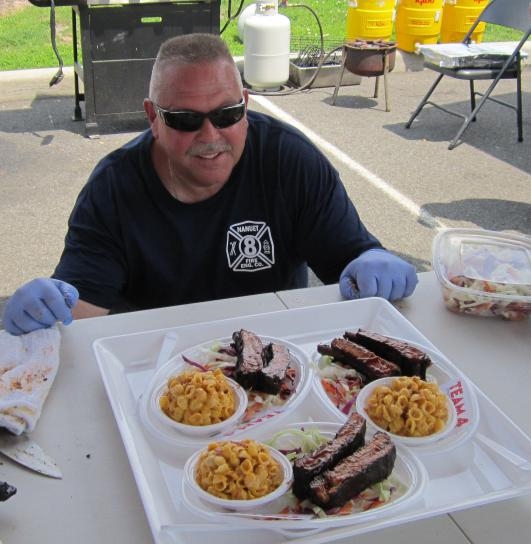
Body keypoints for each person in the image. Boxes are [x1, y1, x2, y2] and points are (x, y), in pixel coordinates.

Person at [2, 33, 417, 336]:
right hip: (158, 359)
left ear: (246, 107)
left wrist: (371, 260)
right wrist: (47, 313)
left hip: (277, 347)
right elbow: (80, 314)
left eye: (227, 114)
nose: (210, 136)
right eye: (185, 119)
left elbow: (352, 262)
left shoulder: (288, 161)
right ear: (152, 117)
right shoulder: (114, 189)